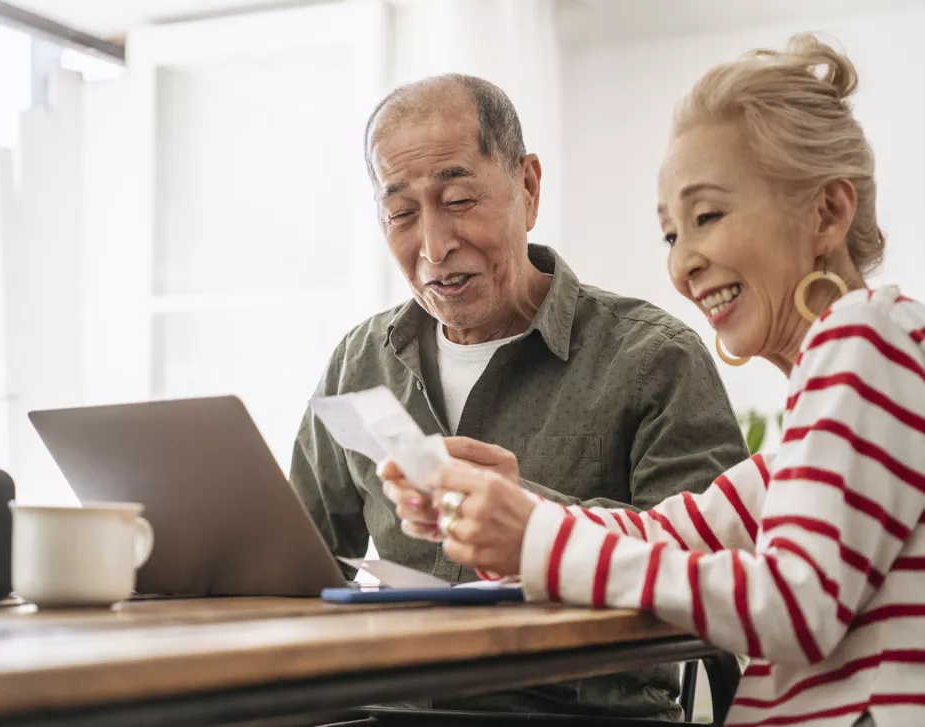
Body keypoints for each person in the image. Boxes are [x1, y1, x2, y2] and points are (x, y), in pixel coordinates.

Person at [383, 35, 925, 727]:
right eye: (672, 235)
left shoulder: (866, 339)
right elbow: (672, 530)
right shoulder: (826, 404)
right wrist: (504, 515)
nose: (683, 265)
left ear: (827, 213)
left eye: (707, 217)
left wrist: (534, 539)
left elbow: (796, 604)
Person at [290, 73, 749, 719]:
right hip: (391, 710)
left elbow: (719, 574)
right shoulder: (359, 360)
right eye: (400, 214)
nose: (432, 245)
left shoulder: (652, 356)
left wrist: (530, 515)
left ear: (528, 187)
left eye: (458, 199)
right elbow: (296, 562)